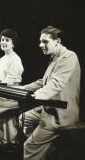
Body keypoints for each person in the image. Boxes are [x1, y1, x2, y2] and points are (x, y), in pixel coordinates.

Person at [20, 26, 80, 160]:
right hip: (48, 108)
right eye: (40, 41)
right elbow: (43, 82)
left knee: (29, 146)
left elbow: (56, 83)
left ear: (57, 41)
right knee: (23, 119)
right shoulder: (55, 57)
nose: (40, 45)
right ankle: (47, 149)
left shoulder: (69, 56)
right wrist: (21, 89)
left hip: (60, 113)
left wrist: (35, 96)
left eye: (44, 41)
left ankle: (38, 148)